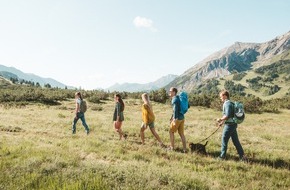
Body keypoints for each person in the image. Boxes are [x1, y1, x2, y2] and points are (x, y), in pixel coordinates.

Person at [216, 90, 246, 161]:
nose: (220, 99)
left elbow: (227, 115)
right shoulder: (231, 103)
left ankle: (222, 157)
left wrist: (220, 119)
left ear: (225, 96)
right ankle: (242, 157)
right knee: (236, 141)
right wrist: (222, 122)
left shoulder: (227, 104)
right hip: (233, 124)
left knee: (224, 140)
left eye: (221, 97)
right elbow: (229, 115)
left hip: (229, 125)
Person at [168, 87, 187, 153]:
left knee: (171, 132)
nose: (169, 92)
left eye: (170, 91)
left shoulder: (174, 99)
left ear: (174, 92)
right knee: (182, 134)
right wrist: (171, 116)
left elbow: (175, 109)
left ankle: (172, 147)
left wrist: (174, 119)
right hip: (182, 118)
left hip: (177, 119)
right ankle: (185, 149)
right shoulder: (178, 98)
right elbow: (175, 110)